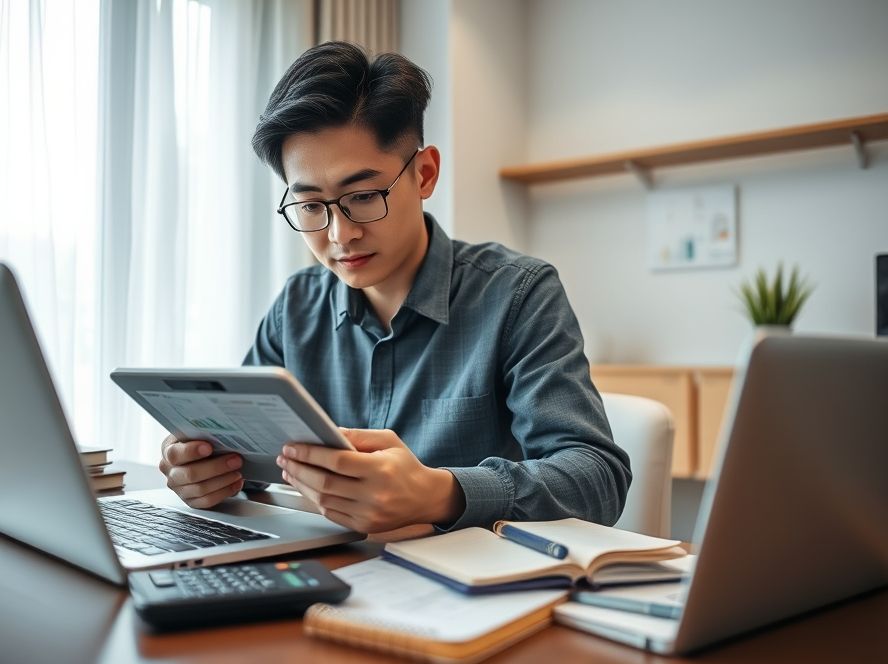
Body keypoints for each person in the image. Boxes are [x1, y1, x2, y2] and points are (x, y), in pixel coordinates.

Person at [158, 41, 631, 534]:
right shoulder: (296, 307)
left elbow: (598, 478)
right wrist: (201, 469)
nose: (340, 235)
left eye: (363, 196)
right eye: (312, 206)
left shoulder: (517, 295)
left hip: (465, 594)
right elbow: (243, 450)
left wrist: (441, 492)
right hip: (325, 574)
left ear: (424, 174)